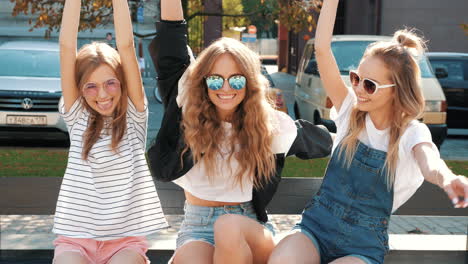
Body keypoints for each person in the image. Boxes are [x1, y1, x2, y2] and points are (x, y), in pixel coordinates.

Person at [268, 1, 468, 264]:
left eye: (370, 85)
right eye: (355, 78)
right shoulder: (350, 111)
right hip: (315, 229)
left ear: (397, 89)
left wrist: (448, 179)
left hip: (361, 247)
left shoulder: (412, 133)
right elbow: (322, 49)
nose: (359, 89)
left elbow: (430, 163)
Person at [146, 0, 333, 263]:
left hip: (248, 229)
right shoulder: (185, 107)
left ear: (249, 83)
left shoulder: (269, 125)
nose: (225, 88)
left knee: (228, 226)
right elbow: (171, 33)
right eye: (215, 79)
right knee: (189, 258)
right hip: (196, 226)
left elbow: (324, 143)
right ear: (203, 81)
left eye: (236, 79)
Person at [53, 0, 168, 263]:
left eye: (110, 83)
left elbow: (126, 46)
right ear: (80, 89)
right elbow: (66, 47)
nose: (102, 94)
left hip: (125, 242)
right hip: (75, 239)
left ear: (122, 82)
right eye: (91, 86)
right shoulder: (77, 115)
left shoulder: (134, 114)